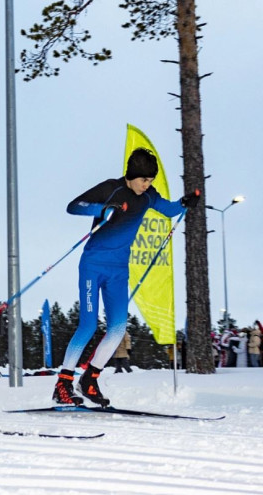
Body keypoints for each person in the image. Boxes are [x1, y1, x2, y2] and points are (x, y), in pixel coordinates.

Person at [52, 149, 198, 407]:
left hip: (119, 270)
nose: (147, 185)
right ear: (132, 176)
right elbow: (73, 206)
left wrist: (184, 203)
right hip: (93, 265)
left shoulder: (149, 196)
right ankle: (63, 384)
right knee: (88, 326)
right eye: (144, 180)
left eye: (151, 181)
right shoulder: (112, 188)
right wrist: (103, 208)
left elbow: (168, 210)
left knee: (118, 328)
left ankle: (89, 379)